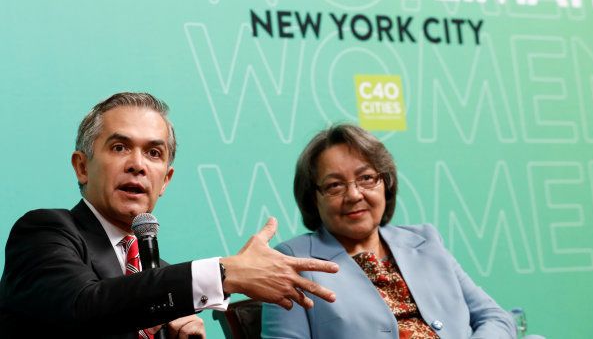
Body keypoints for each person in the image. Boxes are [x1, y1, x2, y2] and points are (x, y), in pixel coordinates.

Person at [0, 92, 338, 338]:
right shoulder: (44, 233)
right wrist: (222, 273)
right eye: (119, 147)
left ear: (166, 180)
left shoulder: (160, 278)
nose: (138, 164)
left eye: (153, 152)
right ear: (82, 166)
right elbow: (85, 307)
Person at [262, 124, 516, 339]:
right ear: (313, 198)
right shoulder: (292, 261)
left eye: (366, 178)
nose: (354, 194)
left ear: (386, 183)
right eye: (335, 185)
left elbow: (495, 317)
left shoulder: (425, 241)